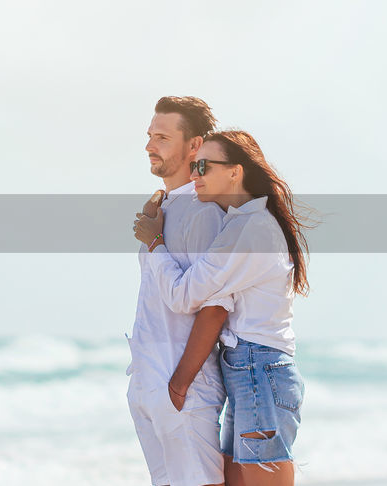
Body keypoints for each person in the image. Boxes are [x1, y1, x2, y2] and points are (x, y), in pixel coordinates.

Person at [133, 129, 310, 486]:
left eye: (203, 166)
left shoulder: (250, 229)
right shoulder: (242, 223)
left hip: (258, 367)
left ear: (235, 171)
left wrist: (155, 242)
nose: (194, 174)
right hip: (246, 367)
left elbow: (185, 296)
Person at [126, 97, 233, 486]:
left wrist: (179, 386)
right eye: (150, 136)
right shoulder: (164, 208)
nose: (150, 146)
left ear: (194, 147)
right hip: (151, 384)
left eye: (163, 138)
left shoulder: (204, 211)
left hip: (183, 389)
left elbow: (216, 305)